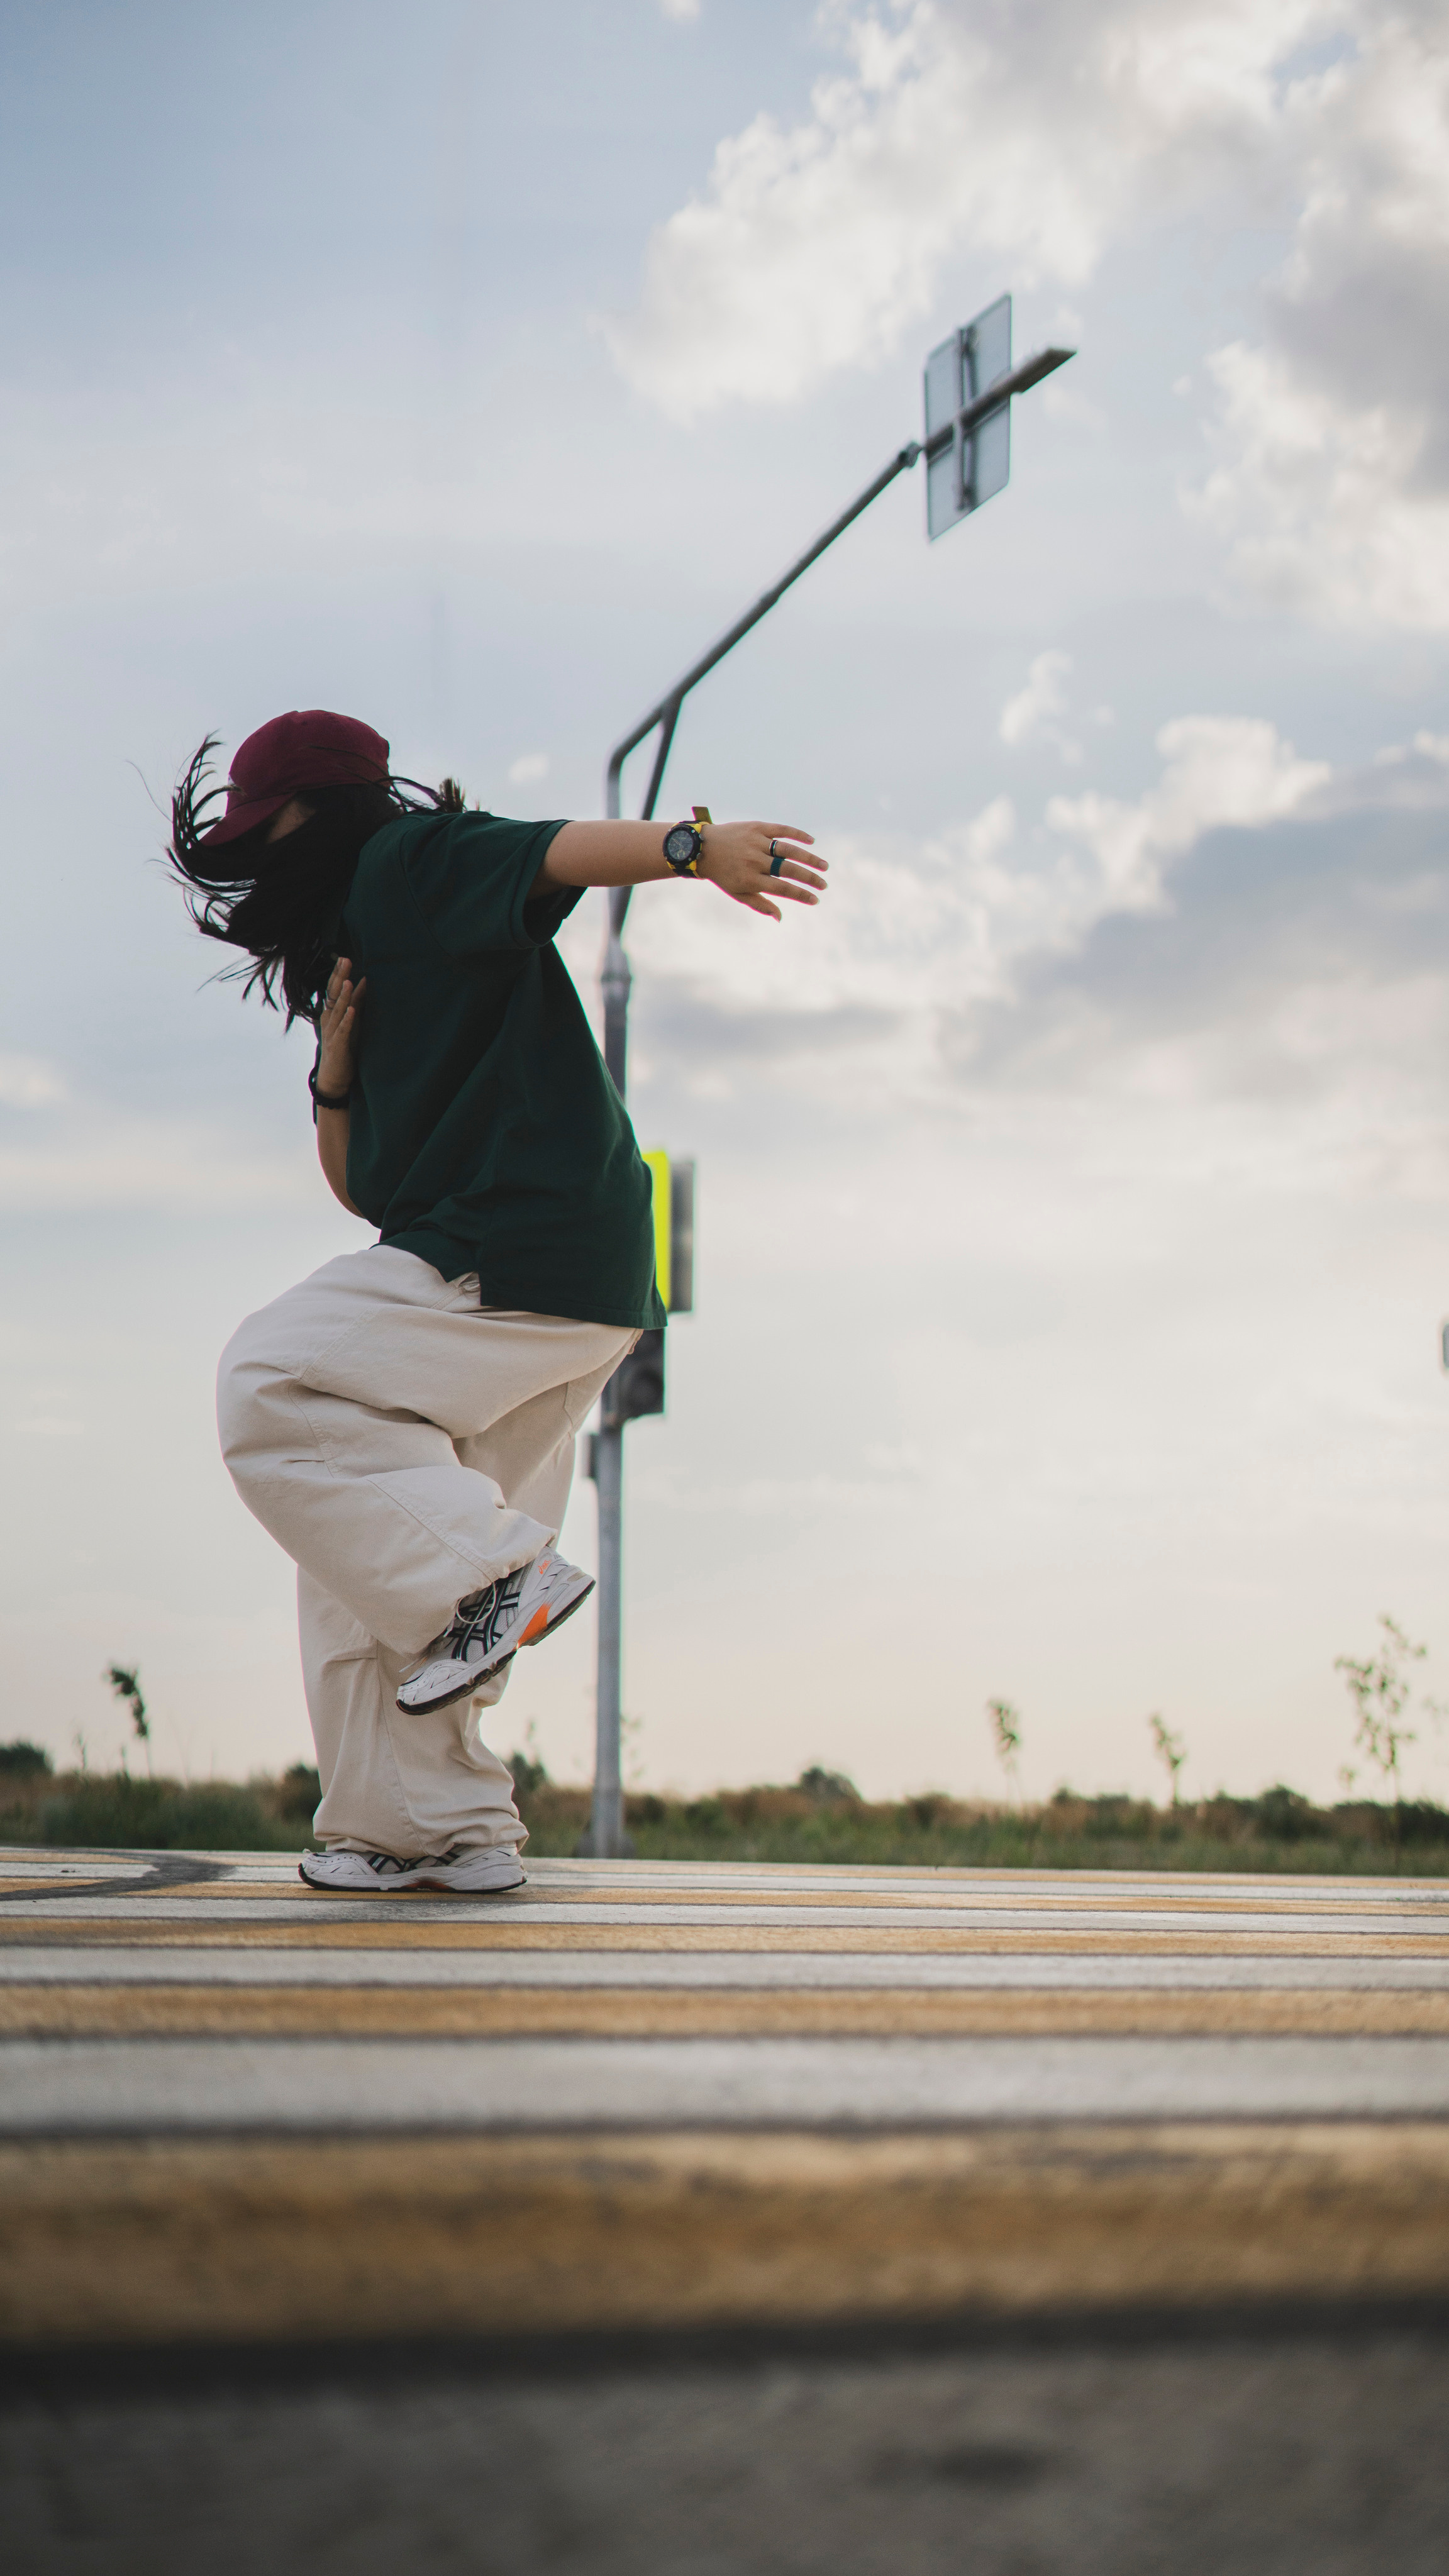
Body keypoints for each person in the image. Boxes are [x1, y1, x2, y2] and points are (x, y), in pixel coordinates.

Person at [169, 709, 826, 1894]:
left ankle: (489, 1577)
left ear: (316, 812)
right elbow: (362, 1189)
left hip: (521, 1253)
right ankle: (430, 1829)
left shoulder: (410, 860)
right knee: (366, 1551)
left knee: (271, 1382)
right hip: (558, 1272)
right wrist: (336, 1070)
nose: (255, 858)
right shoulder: (348, 955)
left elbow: (552, 852)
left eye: (265, 833)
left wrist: (689, 850)